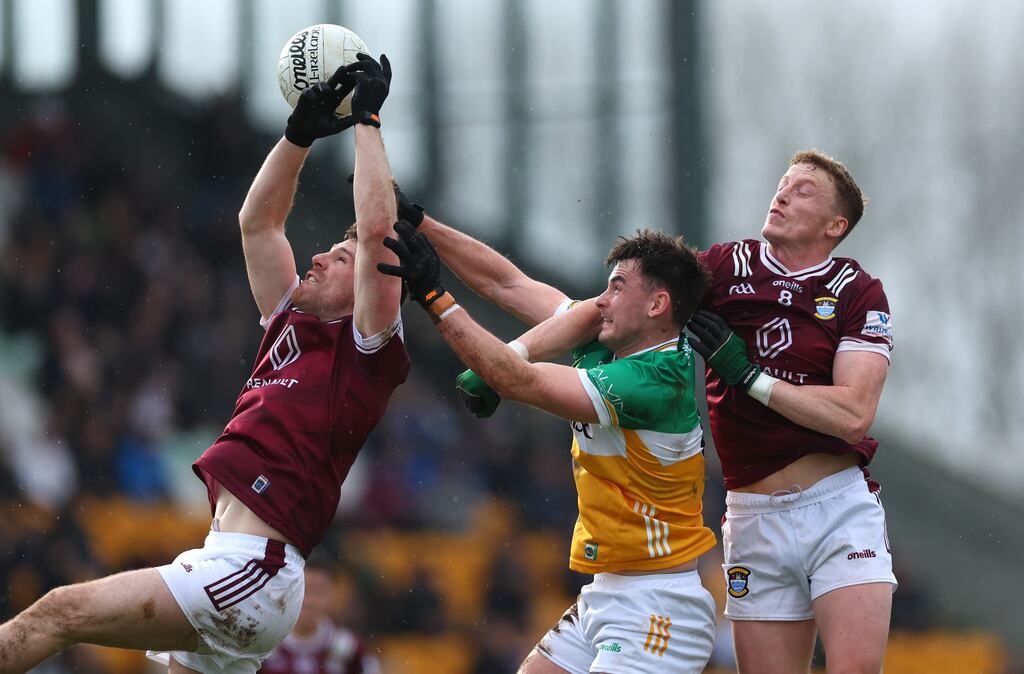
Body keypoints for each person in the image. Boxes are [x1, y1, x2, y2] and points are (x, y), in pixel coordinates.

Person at [0, 54, 408, 674]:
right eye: (329, 245)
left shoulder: (364, 353)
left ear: (367, 288)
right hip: (233, 564)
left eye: (340, 255)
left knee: (57, 611)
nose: (323, 255)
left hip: (251, 570)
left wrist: (367, 120)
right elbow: (258, 224)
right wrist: (300, 132)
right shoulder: (290, 323)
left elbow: (381, 236)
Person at [378, 218, 719, 674]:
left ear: (658, 304)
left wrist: (435, 298)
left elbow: (519, 379)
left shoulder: (654, 380)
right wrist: (420, 224)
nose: (601, 301)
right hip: (605, 594)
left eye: (617, 287)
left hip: (658, 607)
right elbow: (507, 283)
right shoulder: (615, 342)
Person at [684, 149, 895, 674]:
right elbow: (621, 306)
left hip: (838, 511)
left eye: (803, 190)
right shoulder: (722, 267)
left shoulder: (857, 291)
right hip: (753, 522)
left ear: (834, 225)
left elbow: (853, 414)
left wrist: (750, 377)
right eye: (782, 184)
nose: (781, 194)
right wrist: (512, 358)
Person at [259, 561, 381, 674]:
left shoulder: (350, 649)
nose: (309, 601)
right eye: (303, 589)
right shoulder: (261, 644)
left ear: (332, 595)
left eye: (318, 591)